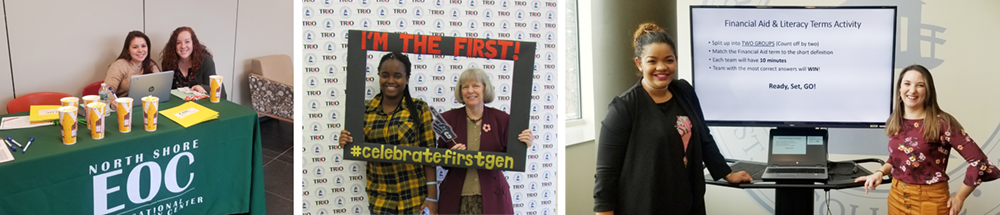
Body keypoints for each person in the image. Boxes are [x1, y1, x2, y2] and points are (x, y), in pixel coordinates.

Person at [592, 23, 752, 215]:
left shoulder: (684, 91)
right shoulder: (623, 108)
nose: (662, 67)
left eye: (669, 60)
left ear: (676, 60)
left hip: (687, 201)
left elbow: (703, 136)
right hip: (644, 204)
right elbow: (606, 174)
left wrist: (728, 174)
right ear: (639, 63)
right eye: (652, 61)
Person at [854, 64, 999, 215]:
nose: (912, 90)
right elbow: (899, 158)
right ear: (899, 89)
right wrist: (880, 172)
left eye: (920, 85)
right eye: (907, 84)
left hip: (930, 200)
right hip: (896, 197)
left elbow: (979, 162)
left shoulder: (942, 122)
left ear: (928, 91)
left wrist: (960, 197)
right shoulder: (895, 120)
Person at [338, 52, 437, 215]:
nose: (390, 81)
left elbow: (430, 156)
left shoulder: (419, 109)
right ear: (379, 77)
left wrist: (432, 198)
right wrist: (346, 141)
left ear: (407, 79)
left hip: (414, 199)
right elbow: (357, 148)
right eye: (385, 75)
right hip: (380, 201)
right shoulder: (365, 111)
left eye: (397, 76)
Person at [434, 67, 533, 214]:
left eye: (476, 86)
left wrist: (524, 144)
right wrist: (449, 157)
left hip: (493, 197)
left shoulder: (503, 119)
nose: (470, 91)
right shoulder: (447, 119)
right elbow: (440, 161)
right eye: (465, 87)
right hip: (456, 197)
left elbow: (511, 158)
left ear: (485, 89)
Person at [160, 26, 226, 99]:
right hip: (178, 106)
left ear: (193, 43)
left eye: (187, 41)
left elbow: (216, 87)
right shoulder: (167, 63)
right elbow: (166, 92)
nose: (183, 46)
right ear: (173, 46)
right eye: (178, 43)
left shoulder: (205, 60)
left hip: (203, 105)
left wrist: (202, 87)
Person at [104, 31, 161, 97]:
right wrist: (113, 102)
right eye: (135, 47)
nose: (140, 50)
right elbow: (107, 89)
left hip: (147, 102)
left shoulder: (151, 64)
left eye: (143, 46)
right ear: (128, 50)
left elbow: (160, 85)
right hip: (124, 104)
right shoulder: (118, 66)